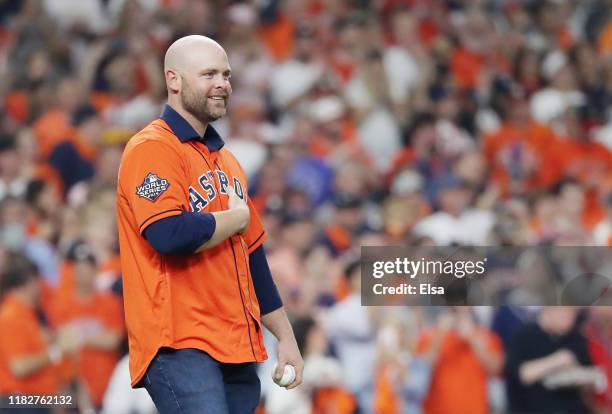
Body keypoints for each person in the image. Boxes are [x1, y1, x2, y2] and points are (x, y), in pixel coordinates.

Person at [116, 35, 303, 414]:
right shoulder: (152, 147)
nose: (222, 83)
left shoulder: (228, 161)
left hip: (236, 343)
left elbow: (253, 259)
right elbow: (167, 234)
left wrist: (285, 336)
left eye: (226, 74)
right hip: (180, 341)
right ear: (174, 80)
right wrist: (233, 218)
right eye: (208, 74)